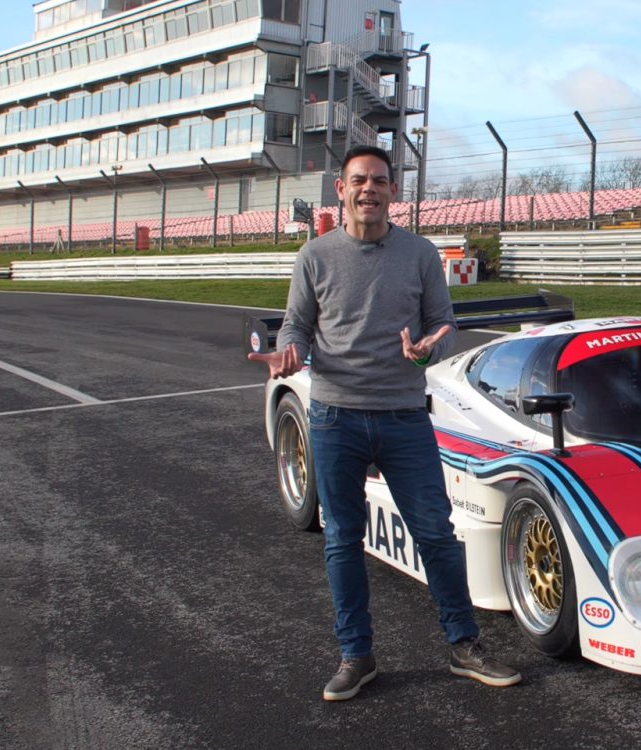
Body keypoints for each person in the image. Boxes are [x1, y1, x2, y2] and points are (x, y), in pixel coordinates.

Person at [248, 145, 521, 701]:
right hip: (334, 417)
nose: (368, 189)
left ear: (393, 192)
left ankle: (464, 646)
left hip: (403, 417)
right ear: (341, 191)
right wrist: (290, 351)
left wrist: (428, 348)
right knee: (342, 539)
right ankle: (357, 655)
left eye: (378, 180)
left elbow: (443, 323)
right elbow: (297, 325)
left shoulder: (419, 253)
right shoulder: (315, 256)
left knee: (437, 537)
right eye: (357, 181)